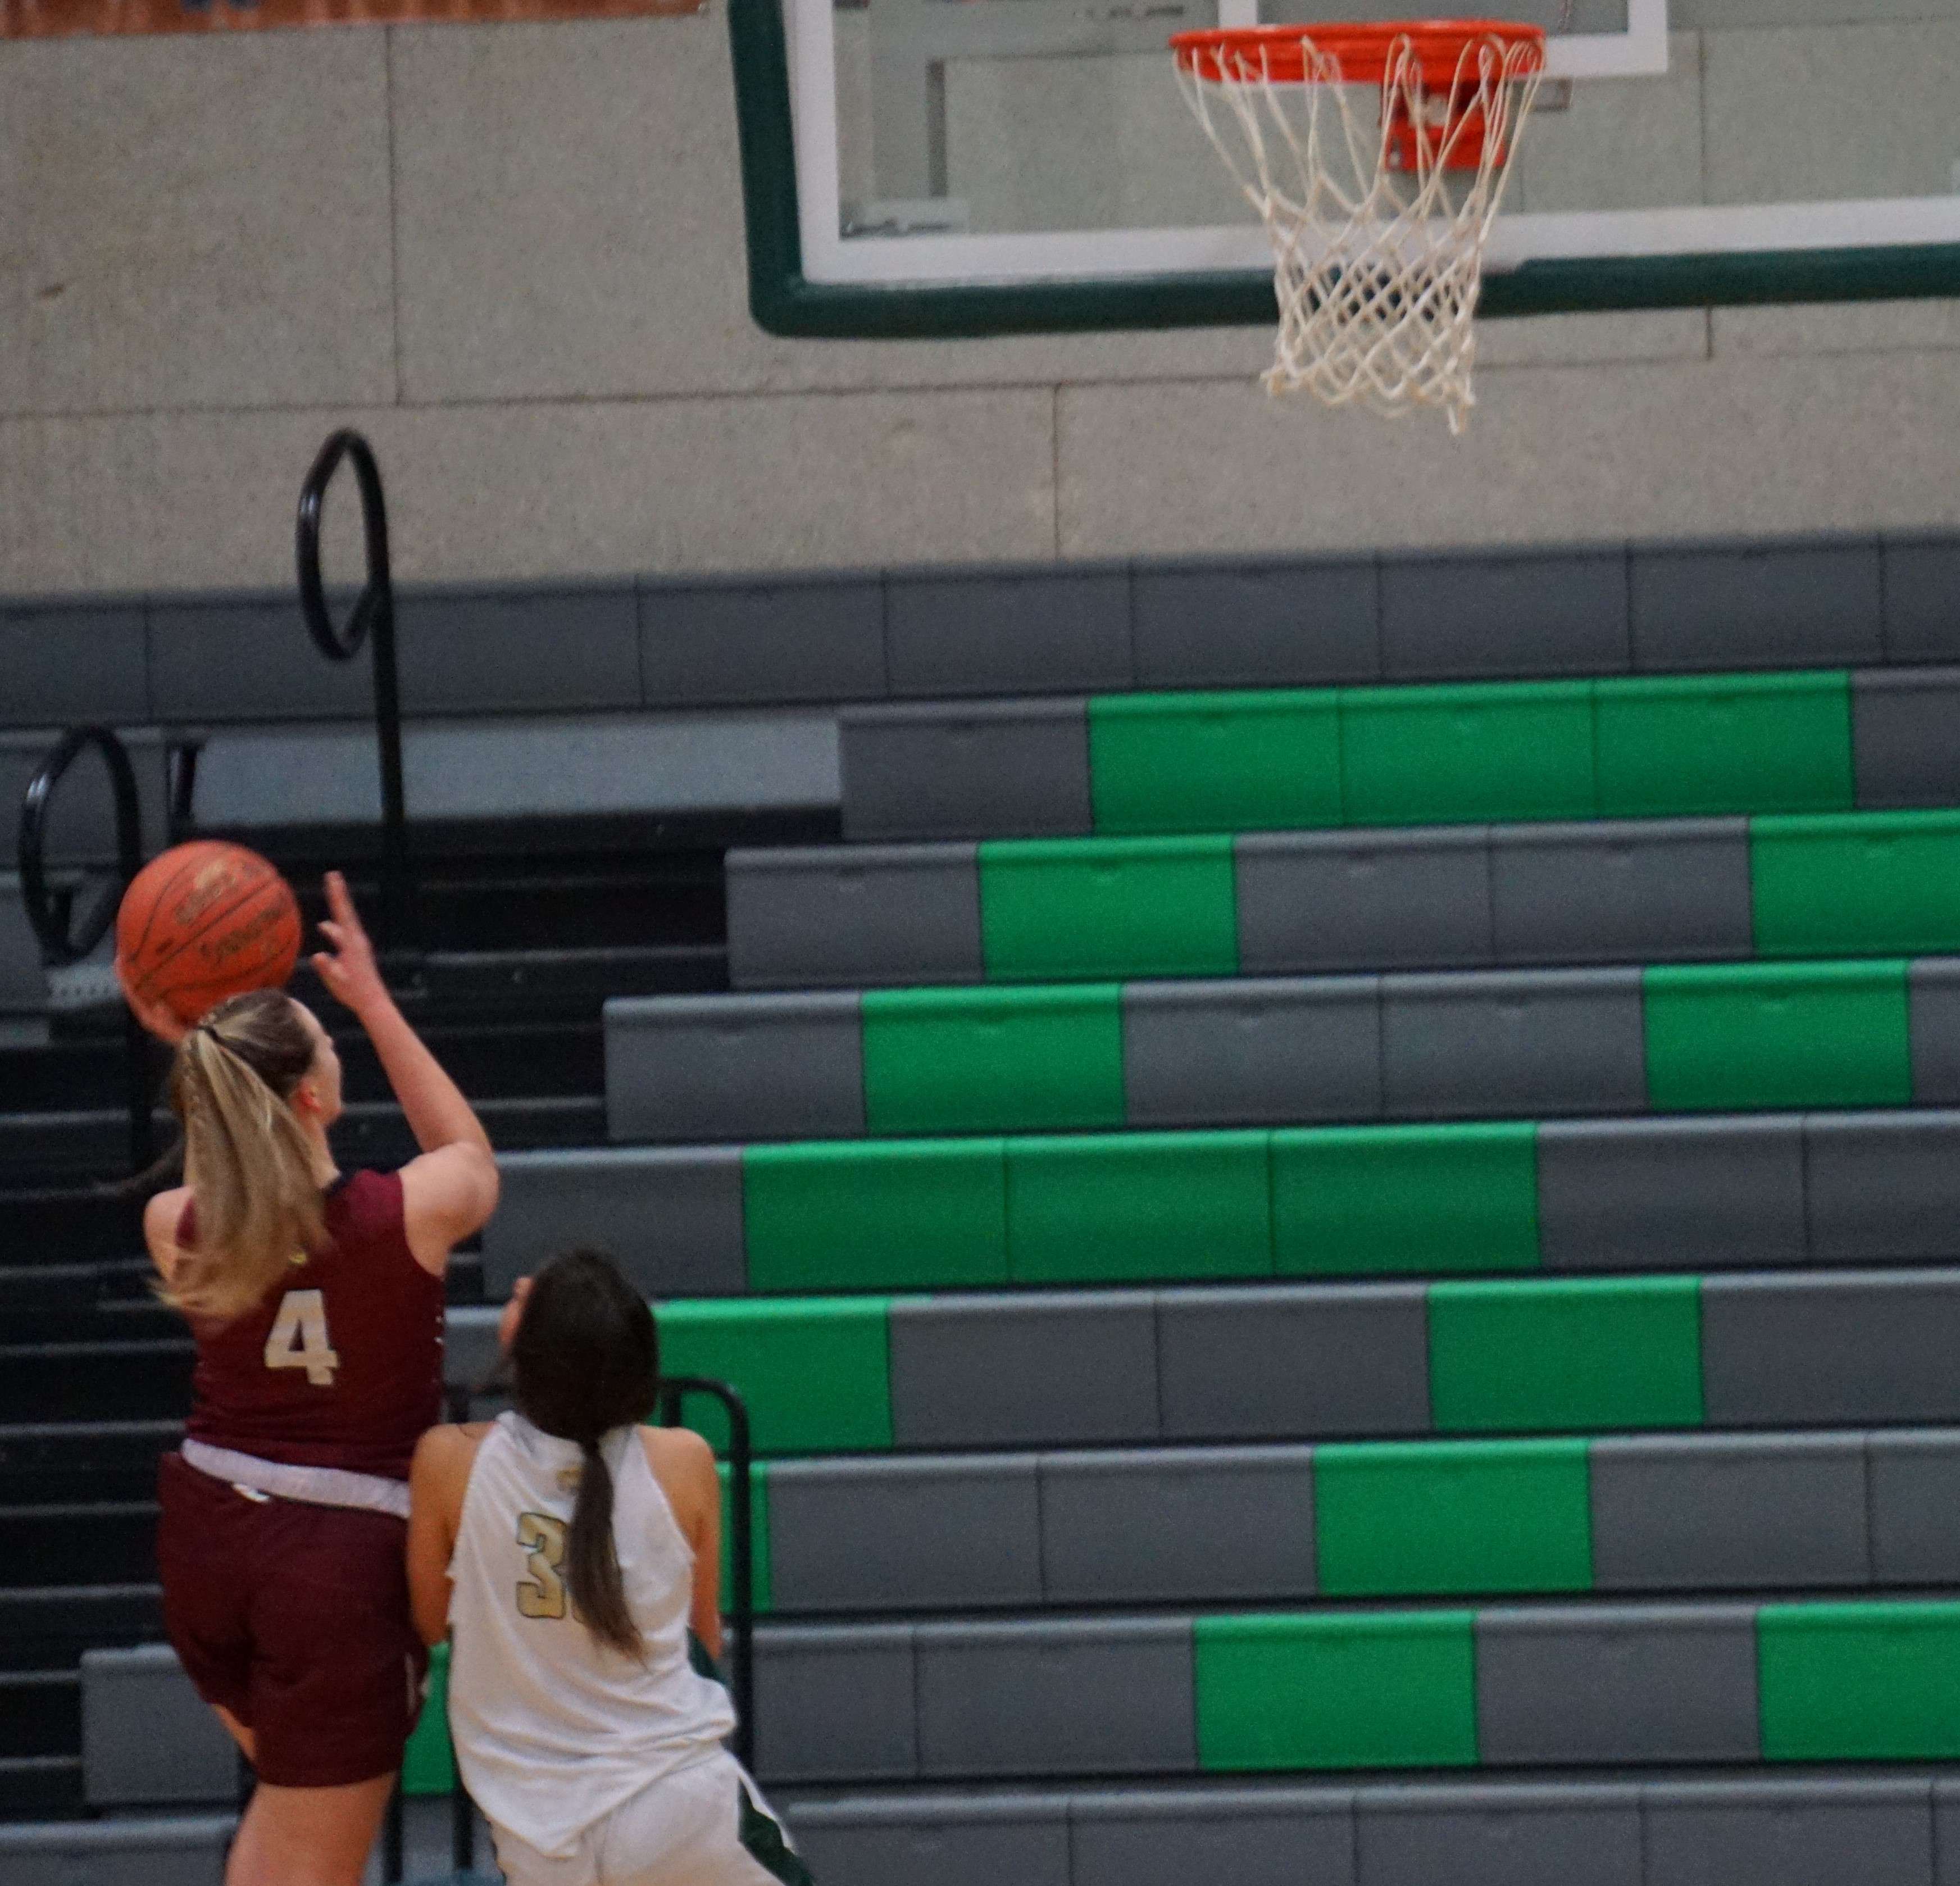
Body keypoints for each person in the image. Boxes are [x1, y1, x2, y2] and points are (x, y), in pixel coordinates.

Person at [136, 870, 500, 1886]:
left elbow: (233, 1145)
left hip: (210, 1536)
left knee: (279, 1845)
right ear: (313, 1094)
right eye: (329, 1046)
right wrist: (375, 1004)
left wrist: (187, 1031)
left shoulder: (178, 1230)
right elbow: (468, 1148)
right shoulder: (407, 1214)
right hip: (333, 1566)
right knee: (308, 1867)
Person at [406, 1248, 810, 1886]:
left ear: (530, 1354)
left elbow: (429, 1623)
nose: (517, 1285)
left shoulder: (448, 1462)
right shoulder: (683, 1460)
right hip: (680, 1805)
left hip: (538, 1832)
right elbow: (703, 1640)